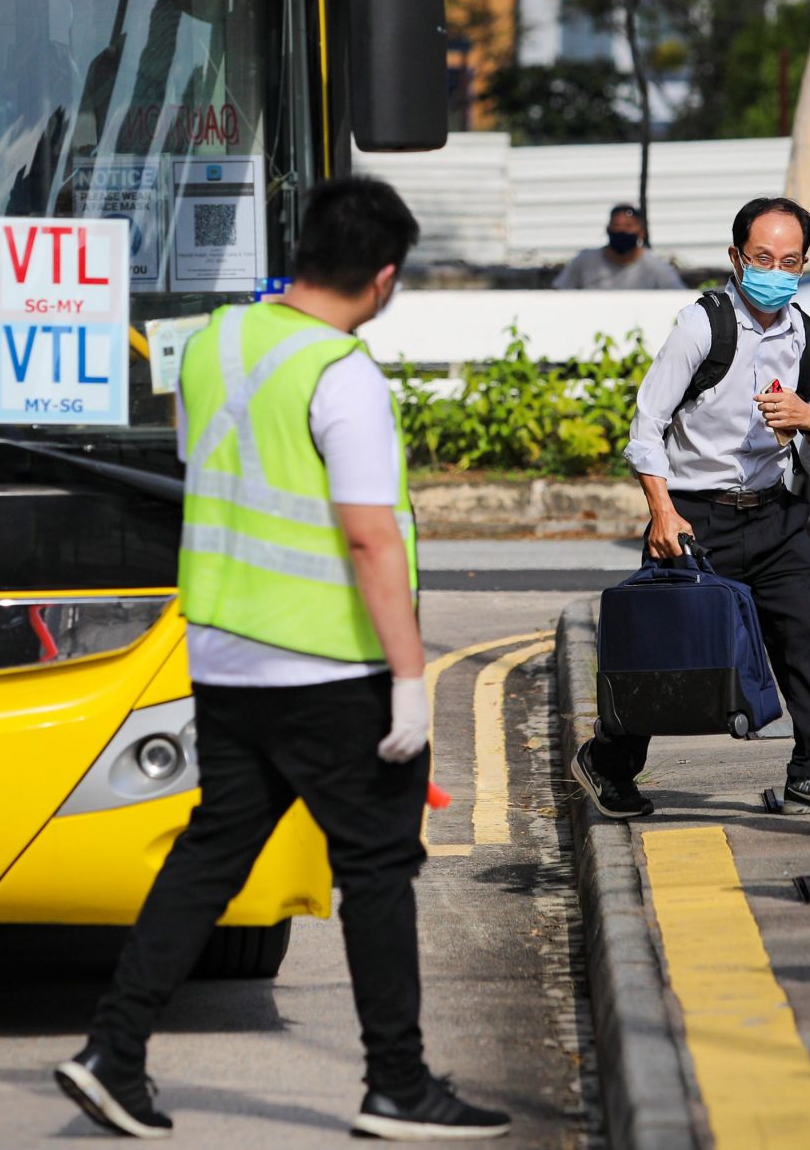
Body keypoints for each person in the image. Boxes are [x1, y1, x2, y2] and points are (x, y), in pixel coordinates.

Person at [56, 177, 511, 1142]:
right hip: (327, 663)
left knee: (211, 853)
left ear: (303, 249)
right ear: (383, 278)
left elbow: (206, 465)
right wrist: (409, 677)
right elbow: (370, 537)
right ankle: (397, 1084)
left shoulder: (212, 343)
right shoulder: (342, 373)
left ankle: (113, 1049)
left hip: (224, 653)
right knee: (377, 866)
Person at [570, 196, 810, 819]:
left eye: (789, 261)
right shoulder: (703, 326)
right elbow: (646, 427)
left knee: (806, 640)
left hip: (775, 515)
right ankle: (608, 762)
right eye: (762, 258)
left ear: (804, 265)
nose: (775, 271)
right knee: (668, 651)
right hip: (695, 516)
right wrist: (662, 512)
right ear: (736, 257)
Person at [552, 203, 686, 291]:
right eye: (616, 226)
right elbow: (558, 293)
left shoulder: (655, 266)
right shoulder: (584, 261)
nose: (621, 231)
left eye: (628, 226)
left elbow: (678, 296)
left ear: (641, 232)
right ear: (608, 230)